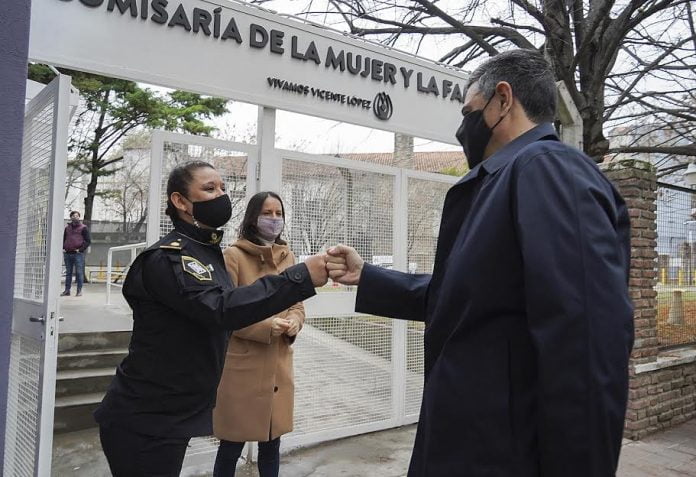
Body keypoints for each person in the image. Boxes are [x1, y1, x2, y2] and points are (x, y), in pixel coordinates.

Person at [326, 49, 634, 477]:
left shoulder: (549, 171)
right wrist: (368, 277)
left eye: (468, 110)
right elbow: (470, 298)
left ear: (502, 99)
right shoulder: (506, 178)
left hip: (503, 454)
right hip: (472, 442)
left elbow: (584, 338)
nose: (461, 128)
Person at [93, 161, 328, 477]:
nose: (221, 195)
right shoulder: (170, 258)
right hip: (147, 418)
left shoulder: (205, 252)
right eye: (209, 188)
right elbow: (221, 309)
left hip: (173, 414)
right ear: (180, 201)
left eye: (222, 188)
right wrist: (299, 278)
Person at [212, 191, 303, 477]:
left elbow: (297, 304)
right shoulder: (233, 256)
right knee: (231, 446)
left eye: (278, 214)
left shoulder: (289, 257)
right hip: (242, 368)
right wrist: (266, 327)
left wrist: (295, 321)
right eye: (267, 213)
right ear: (253, 217)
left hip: (278, 365)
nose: (274, 219)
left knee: (272, 445)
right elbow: (224, 312)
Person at [61, 210, 91, 297]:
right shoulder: (67, 228)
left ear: (79, 217)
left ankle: (79, 291)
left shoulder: (83, 228)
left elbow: (88, 241)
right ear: (71, 217)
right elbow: (64, 238)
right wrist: (64, 247)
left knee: (79, 273)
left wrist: (80, 249)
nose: (75, 217)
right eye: (73, 216)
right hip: (67, 253)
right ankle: (67, 290)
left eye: (77, 216)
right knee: (68, 273)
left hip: (78, 254)